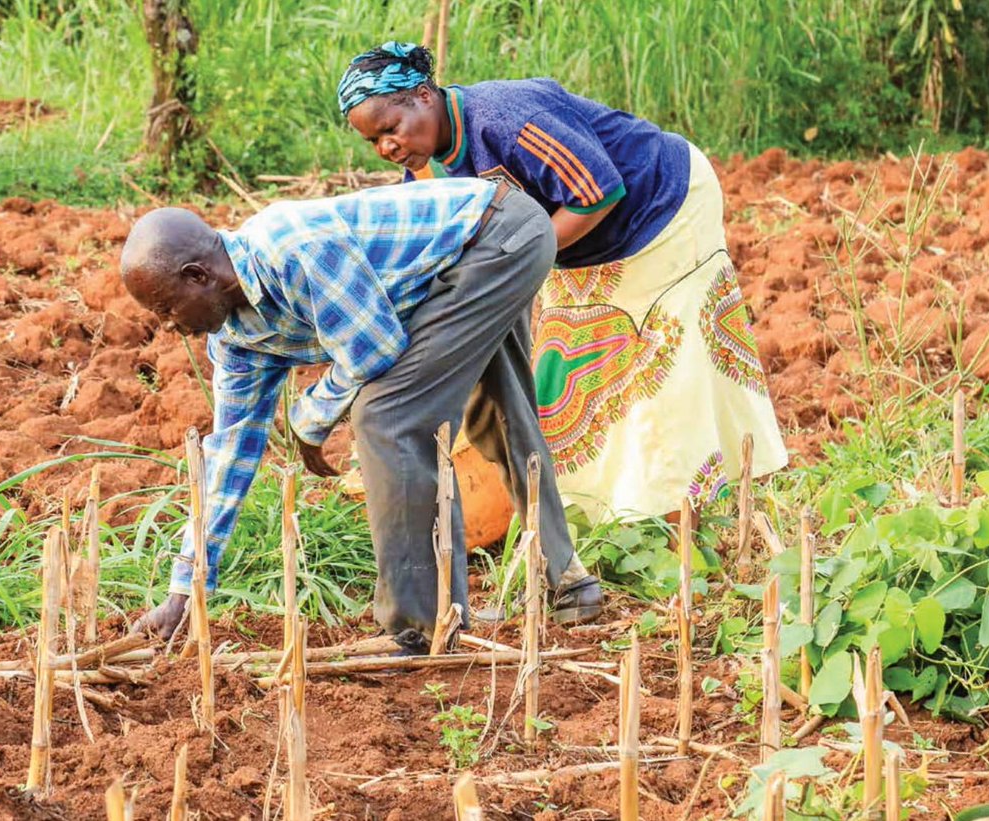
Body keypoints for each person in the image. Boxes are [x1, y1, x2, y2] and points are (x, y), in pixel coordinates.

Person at [123, 177, 604, 652]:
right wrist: (186, 589)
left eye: (166, 309)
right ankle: (567, 582)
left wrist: (309, 418)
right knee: (497, 413)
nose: (170, 327)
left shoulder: (292, 248)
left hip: (496, 237)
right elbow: (228, 458)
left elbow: (374, 352)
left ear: (197, 276)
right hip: (459, 263)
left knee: (389, 417)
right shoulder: (235, 341)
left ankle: (421, 626)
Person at [338, 43, 787, 531]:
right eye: (373, 142)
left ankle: (678, 519)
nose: (387, 147)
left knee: (664, 366)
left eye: (390, 129)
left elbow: (598, 191)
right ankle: (597, 516)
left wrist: (511, 263)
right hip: (577, 245)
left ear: (424, 96)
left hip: (661, 210)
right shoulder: (424, 174)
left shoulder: (504, 118)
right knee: (566, 374)